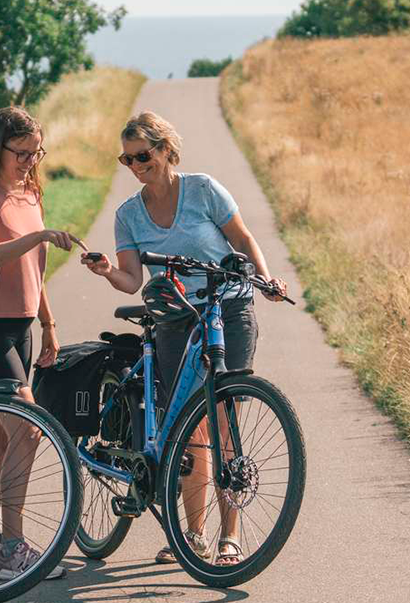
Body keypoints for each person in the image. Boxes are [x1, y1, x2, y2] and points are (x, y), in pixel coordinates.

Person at [81, 110, 288, 567]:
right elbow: (131, 280)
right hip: (174, 319)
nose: (136, 165)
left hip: (226, 308)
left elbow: (242, 239)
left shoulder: (203, 190)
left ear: (165, 150)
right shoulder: (128, 215)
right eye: (127, 159)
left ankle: (229, 538)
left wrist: (265, 279)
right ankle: (193, 535)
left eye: (143, 155)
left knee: (223, 416)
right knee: (192, 426)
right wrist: (107, 271)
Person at [0, 106, 82, 580]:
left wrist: (48, 323)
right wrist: (40, 236)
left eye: (36, 151)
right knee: (28, 429)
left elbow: (36, 273)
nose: (31, 160)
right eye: (22, 152)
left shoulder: (30, 192)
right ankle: (13, 548)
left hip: (22, 326)